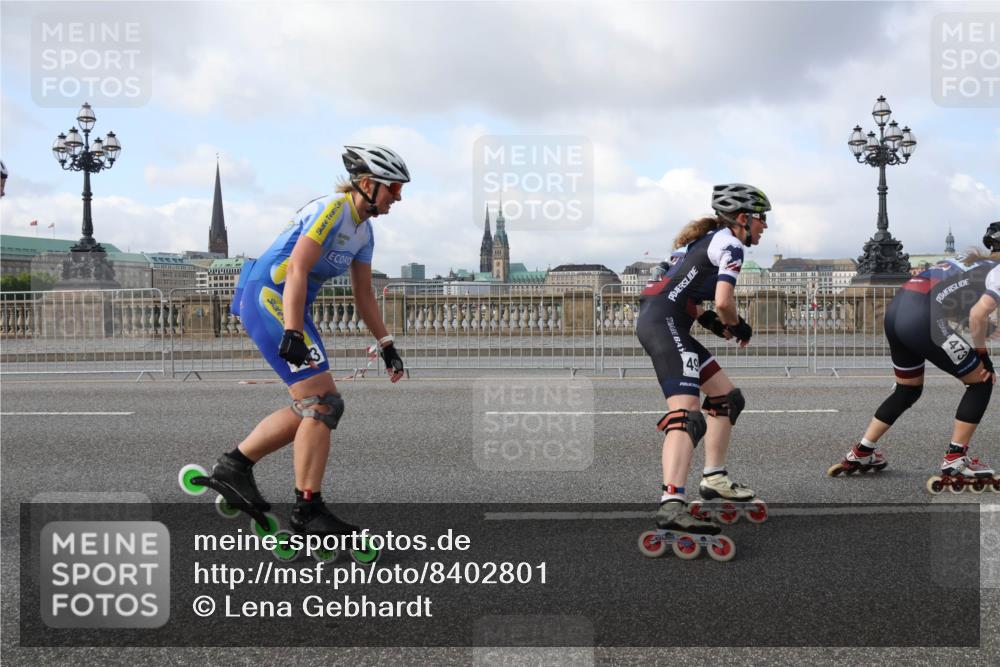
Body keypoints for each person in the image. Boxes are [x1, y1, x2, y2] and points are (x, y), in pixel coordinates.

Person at [205, 144, 409, 536]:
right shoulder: (332, 209)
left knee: (319, 404)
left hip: (289, 306)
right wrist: (293, 331)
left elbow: (363, 295)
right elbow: (297, 268)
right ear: (368, 184)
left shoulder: (364, 232)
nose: (398, 198)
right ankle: (307, 509)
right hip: (269, 298)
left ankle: (235, 467)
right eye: (394, 188)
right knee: (322, 403)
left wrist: (387, 344)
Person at [636, 183, 770, 559]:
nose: (764, 226)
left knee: (727, 398)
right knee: (687, 414)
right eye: (761, 218)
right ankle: (671, 504)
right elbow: (724, 301)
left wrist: (712, 324)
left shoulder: (701, 243)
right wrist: (736, 325)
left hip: (665, 320)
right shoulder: (730, 245)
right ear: (742, 218)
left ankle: (713, 479)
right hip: (665, 325)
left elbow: (681, 292)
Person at [828, 221, 1000, 493]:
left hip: (897, 312)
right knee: (981, 380)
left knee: (907, 389)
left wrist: (979, 326)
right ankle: (955, 459)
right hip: (923, 320)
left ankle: (862, 451)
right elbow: (977, 314)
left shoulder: (966, 261)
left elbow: (949, 302)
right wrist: (983, 357)